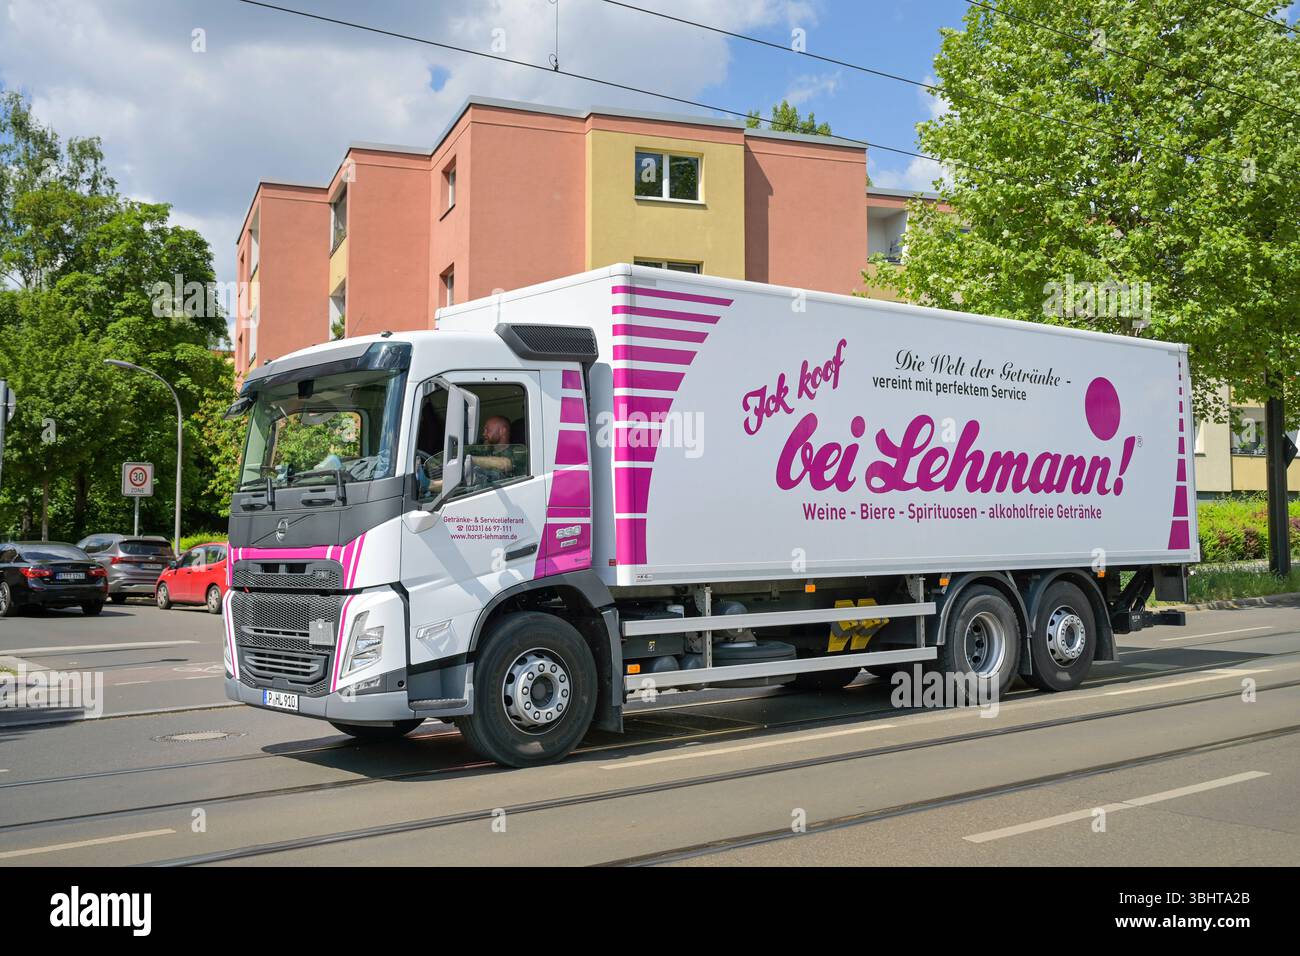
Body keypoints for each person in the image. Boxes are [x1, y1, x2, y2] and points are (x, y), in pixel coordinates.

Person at [418, 414, 527, 498]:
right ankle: (429, 485)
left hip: (502, 494)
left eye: (487, 430)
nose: (484, 433)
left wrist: (472, 460)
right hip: (478, 491)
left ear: (502, 430)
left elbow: (506, 463)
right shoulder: (485, 450)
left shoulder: (518, 450)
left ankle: (429, 485)